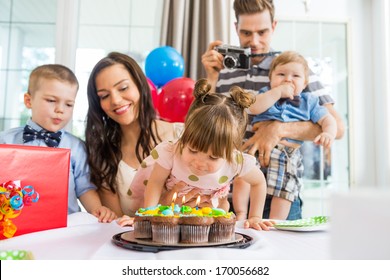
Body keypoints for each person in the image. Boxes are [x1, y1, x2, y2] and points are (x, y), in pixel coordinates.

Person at [201, 0, 345, 219]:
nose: (255, 41)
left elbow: (338, 128)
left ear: (274, 26)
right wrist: (212, 77)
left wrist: (278, 130)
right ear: (235, 28)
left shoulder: (293, 69)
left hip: (281, 191)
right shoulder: (226, 70)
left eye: (262, 32)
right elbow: (202, 126)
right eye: (246, 33)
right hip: (230, 192)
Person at [120, 78, 273, 230]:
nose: (199, 162)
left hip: (207, 223)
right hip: (170, 218)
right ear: (185, 134)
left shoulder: (235, 161)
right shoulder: (171, 153)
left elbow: (258, 182)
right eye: (192, 150)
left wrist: (255, 217)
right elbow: (155, 182)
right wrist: (149, 214)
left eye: (213, 157)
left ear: (230, 150)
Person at [85, 52, 199, 218]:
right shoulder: (104, 155)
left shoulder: (182, 135)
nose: (115, 100)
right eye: (104, 95)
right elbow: (116, 224)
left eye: (123, 88)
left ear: (140, 85)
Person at [0, 64, 116, 223]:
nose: (60, 109)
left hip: (63, 228)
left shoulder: (76, 147)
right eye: (51, 100)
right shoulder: (5, 141)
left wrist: (96, 209)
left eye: (69, 104)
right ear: (28, 100)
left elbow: (85, 188)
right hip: (15, 225)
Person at [233, 51, 337, 220]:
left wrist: (328, 133)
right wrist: (277, 92)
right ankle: (242, 214)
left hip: (287, 154)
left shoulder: (308, 101)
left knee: (284, 189)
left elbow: (328, 120)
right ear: (271, 78)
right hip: (256, 149)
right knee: (243, 176)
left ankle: (276, 223)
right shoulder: (266, 93)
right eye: (281, 74)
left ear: (305, 83)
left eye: (295, 76)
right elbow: (253, 108)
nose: (288, 79)